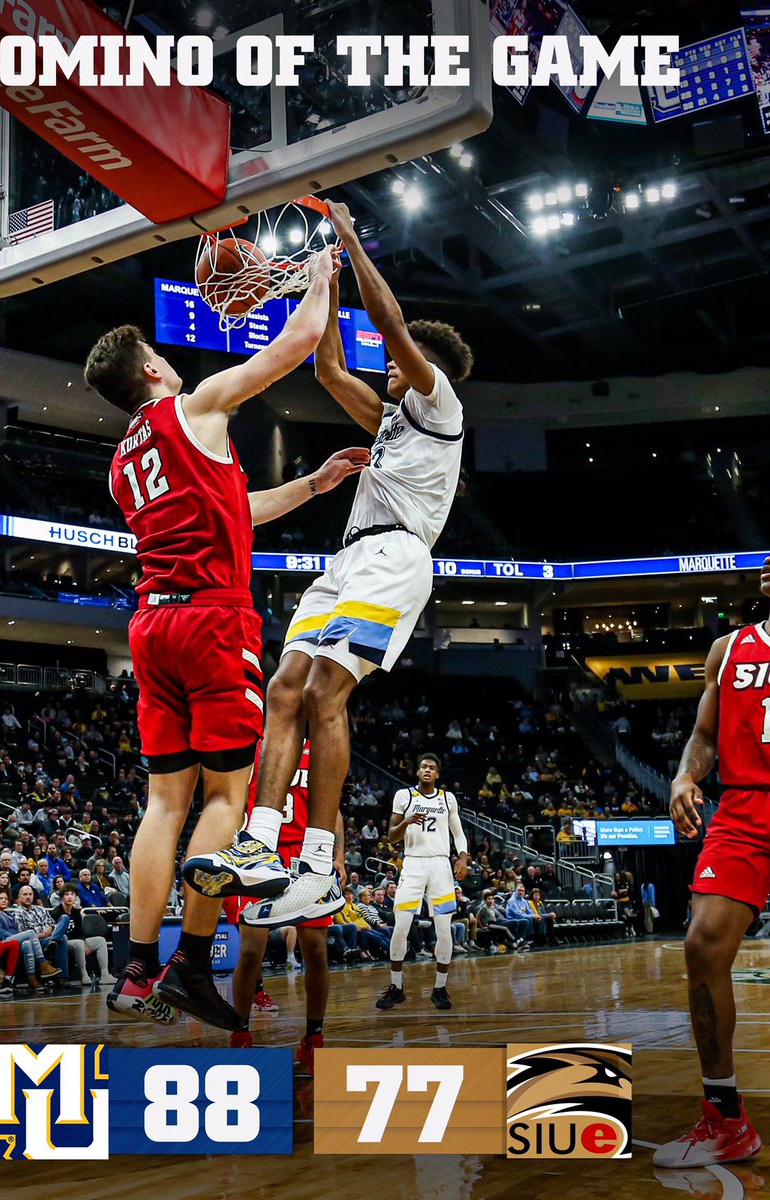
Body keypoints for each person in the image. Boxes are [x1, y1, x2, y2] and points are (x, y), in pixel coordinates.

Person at [85, 250, 368, 1031]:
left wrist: (312, 486)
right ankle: (190, 964)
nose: (172, 363)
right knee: (227, 796)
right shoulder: (198, 403)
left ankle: (138, 964)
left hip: (150, 625)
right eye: (162, 356)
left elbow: (235, 508)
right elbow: (296, 345)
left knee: (162, 800)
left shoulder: (122, 463)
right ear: (149, 372)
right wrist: (319, 275)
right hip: (212, 620)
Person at [188, 199, 472, 930]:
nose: (389, 371)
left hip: (394, 556)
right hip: (347, 559)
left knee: (324, 693)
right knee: (283, 688)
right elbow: (326, 367)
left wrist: (347, 232)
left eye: (401, 367)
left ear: (425, 374)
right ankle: (258, 842)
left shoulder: (439, 407)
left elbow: (394, 330)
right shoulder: (389, 424)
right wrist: (330, 278)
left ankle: (318, 865)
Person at [655, 557, 770, 1169]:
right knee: (702, 947)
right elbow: (704, 734)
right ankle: (725, 1118)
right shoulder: (729, 650)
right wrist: (684, 773)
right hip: (746, 810)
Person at [225, 741, 344, 1075]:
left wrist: (339, 856)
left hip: (307, 855)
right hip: (260, 855)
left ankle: (314, 1037)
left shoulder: (322, 747)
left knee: (316, 951)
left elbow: (332, 808)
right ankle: (240, 1031)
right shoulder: (251, 747)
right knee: (250, 950)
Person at [373, 754, 469, 1012]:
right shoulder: (404, 796)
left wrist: (462, 858)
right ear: (417, 772)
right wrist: (406, 821)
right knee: (401, 926)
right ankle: (396, 987)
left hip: (440, 866)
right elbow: (392, 837)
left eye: (432, 768)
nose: (427, 770)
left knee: (444, 928)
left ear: (438, 774)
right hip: (413, 864)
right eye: (423, 767)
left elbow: (458, 833)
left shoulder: (448, 798)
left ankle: (440, 988)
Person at [0, 889, 60, 991]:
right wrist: (20, 936)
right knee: (30, 933)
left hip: (15, 940)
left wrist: (20, 937)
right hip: (4, 941)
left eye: (6, 899)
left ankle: (31, 978)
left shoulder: (8, 915)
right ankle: (43, 963)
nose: (4, 901)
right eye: (1, 898)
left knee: (27, 943)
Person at [51, 884, 116, 985]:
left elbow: (80, 932)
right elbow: (57, 933)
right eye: (66, 894)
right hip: (64, 942)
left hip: (78, 941)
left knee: (100, 940)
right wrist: (83, 943)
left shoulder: (76, 912)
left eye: (72, 894)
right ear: (62, 897)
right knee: (79, 943)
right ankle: (84, 975)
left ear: (76, 897)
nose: (69, 897)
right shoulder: (56, 912)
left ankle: (105, 975)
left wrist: (85, 943)